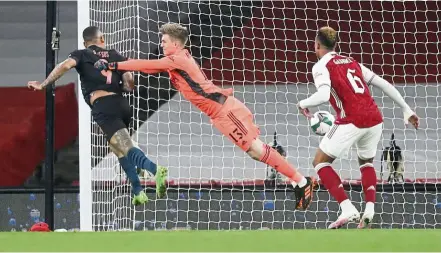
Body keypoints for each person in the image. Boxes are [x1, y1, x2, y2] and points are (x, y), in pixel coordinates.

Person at [95, 23, 317, 210]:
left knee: (256, 149)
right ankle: (285, 166)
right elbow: (151, 69)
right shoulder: (177, 60)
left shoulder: (178, 59)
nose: (160, 45)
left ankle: (300, 180)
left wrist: (114, 65)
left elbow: (147, 64)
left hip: (225, 111)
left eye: (163, 41)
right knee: (254, 152)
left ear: (175, 43)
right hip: (221, 114)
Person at [27, 26, 168, 206]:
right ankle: (138, 191)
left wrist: (44, 84)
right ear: (102, 39)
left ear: (86, 43)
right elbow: (129, 81)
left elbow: (64, 66)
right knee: (118, 148)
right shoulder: (114, 55)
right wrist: (123, 86)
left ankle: (155, 170)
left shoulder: (81, 54)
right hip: (122, 104)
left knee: (124, 146)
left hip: (103, 105)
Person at [297, 26, 419, 228]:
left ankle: (347, 208)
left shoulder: (321, 66)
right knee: (366, 163)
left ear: (317, 45)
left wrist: (303, 103)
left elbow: (324, 95)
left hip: (351, 120)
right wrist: (407, 109)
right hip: (375, 119)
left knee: (320, 162)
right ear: (336, 44)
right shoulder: (352, 62)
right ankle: (369, 210)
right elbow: (383, 83)